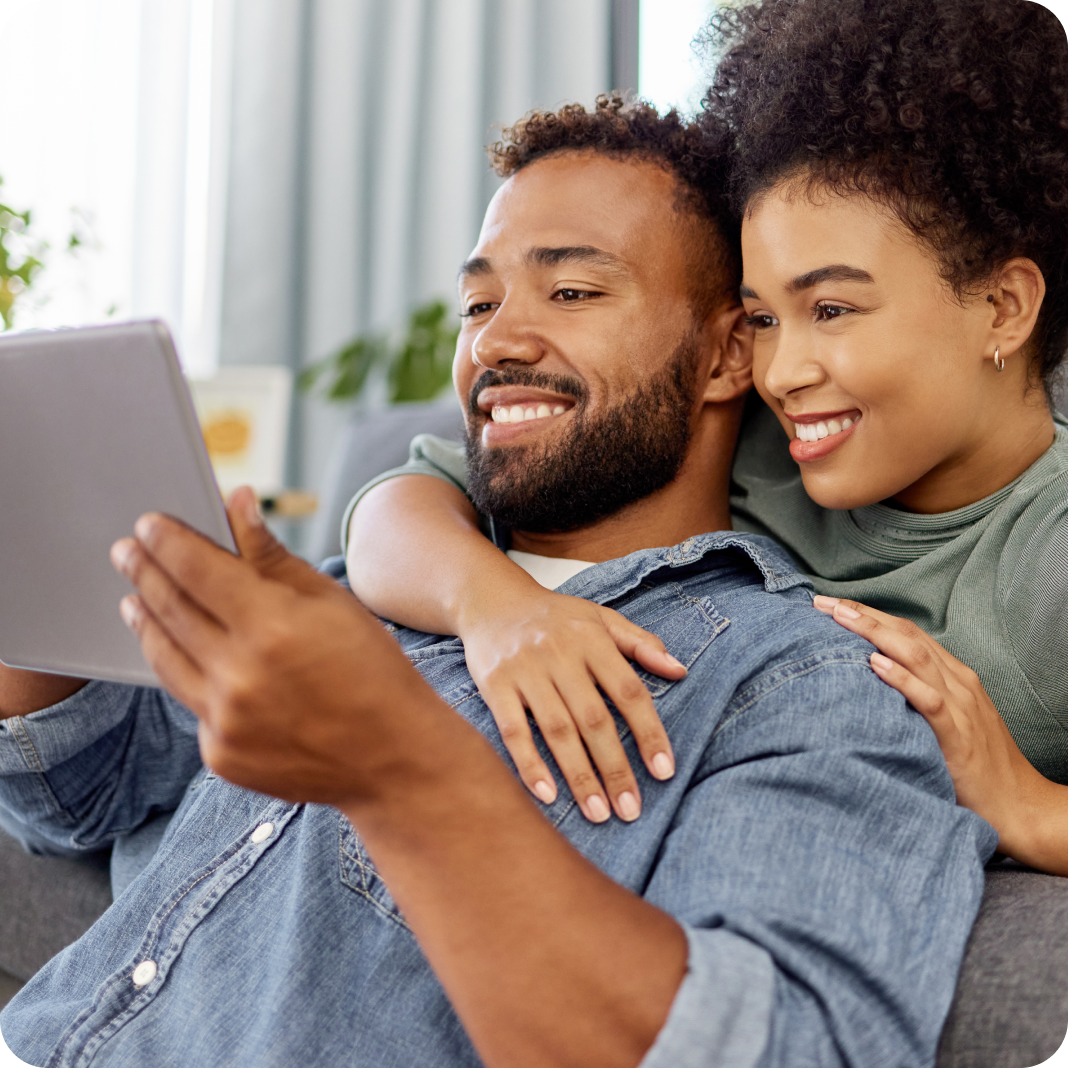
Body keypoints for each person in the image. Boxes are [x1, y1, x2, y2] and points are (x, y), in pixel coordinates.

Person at [0, 105, 993, 1068]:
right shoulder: (359, 594)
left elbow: (788, 1049)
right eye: (480, 303)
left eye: (571, 294)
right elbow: (75, 792)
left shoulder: (799, 686)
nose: (498, 342)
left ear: (728, 352)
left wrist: (400, 765)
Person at [346, 0, 1068, 874]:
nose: (782, 370)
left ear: (1004, 307)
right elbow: (404, 500)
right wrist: (494, 606)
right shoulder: (767, 435)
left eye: (831, 309)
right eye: (764, 318)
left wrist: (1030, 806)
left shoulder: (1047, 564)